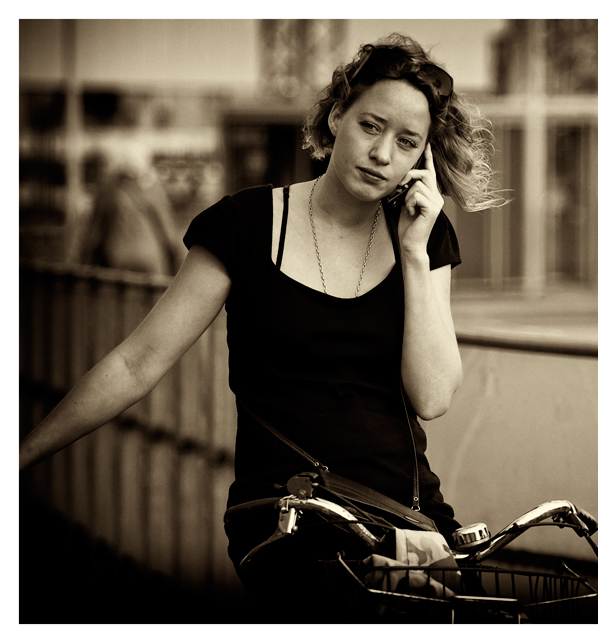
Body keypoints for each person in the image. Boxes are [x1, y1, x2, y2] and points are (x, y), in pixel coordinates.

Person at [19, 33, 506, 620]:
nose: (383, 154)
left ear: (422, 160)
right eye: (371, 126)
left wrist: (413, 252)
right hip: (285, 517)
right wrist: (19, 458)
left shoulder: (425, 239)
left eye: (407, 143)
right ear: (336, 117)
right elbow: (135, 363)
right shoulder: (243, 226)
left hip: (403, 513)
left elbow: (431, 396)